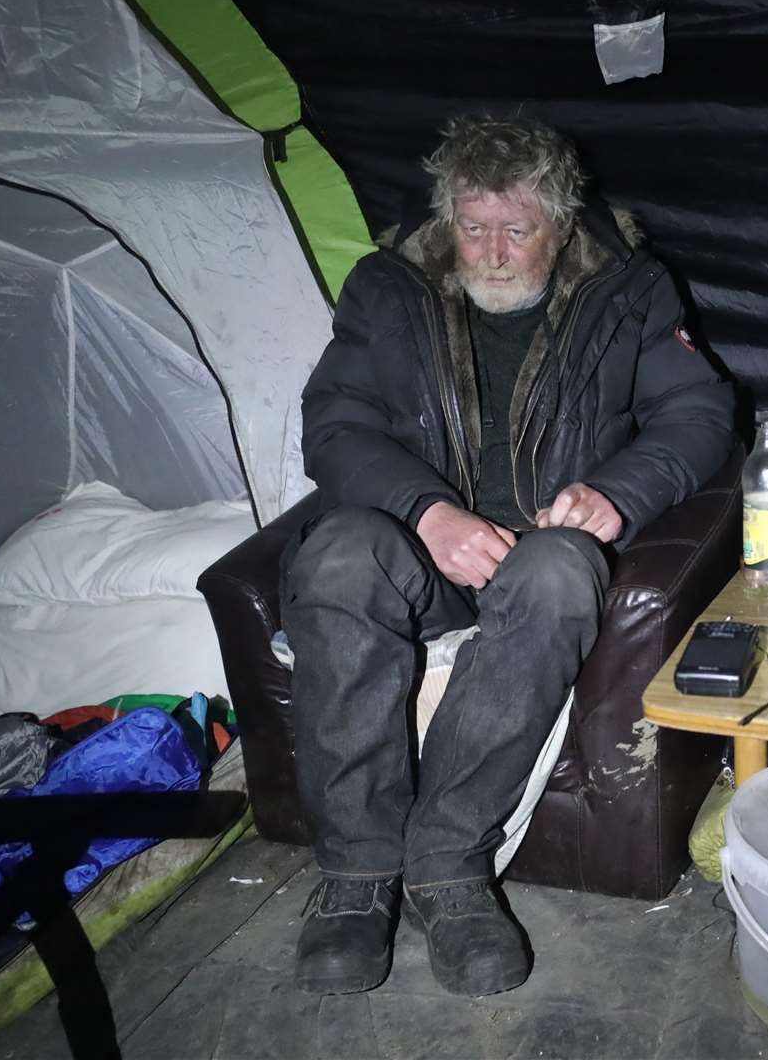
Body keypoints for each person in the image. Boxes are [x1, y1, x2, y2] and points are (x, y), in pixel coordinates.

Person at [282, 113, 733, 998]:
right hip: (416, 545)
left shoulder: (628, 291)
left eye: (515, 230)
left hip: (537, 546)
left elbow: (699, 414)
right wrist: (426, 510)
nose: (488, 252)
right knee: (339, 554)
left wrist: (616, 493)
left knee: (561, 569)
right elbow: (334, 423)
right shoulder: (385, 287)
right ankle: (356, 874)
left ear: (560, 229)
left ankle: (448, 866)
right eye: (472, 225)